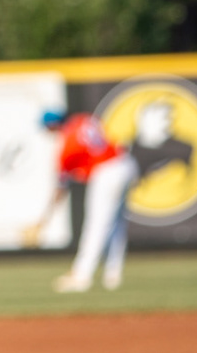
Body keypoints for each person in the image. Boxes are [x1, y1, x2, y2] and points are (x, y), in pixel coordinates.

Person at [31, 108, 137, 292]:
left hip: (106, 172)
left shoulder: (67, 145)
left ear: (53, 126)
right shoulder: (84, 119)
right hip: (126, 163)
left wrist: (45, 218)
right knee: (117, 223)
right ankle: (113, 275)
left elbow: (60, 187)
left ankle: (82, 276)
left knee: (96, 225)